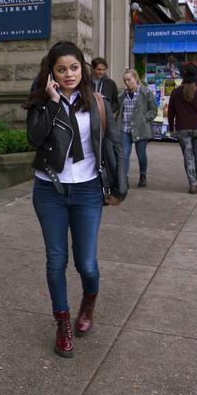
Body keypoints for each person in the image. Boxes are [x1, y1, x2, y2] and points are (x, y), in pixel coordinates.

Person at [25, 41, 127, 358]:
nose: (69, 74)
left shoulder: (96, 102)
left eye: (73, 67)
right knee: (56, 260)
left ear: (82, 68)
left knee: (87, 263)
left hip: (87, 191)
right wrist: (54, 103)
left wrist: (119, 187)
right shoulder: (41, 102)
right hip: (49, 191)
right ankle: (63, 323)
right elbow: (35, 139)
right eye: (61, 69)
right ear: (51, 72)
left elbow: (114, 145)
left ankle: (89, 301)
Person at [167, 62, 197, 194]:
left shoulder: (176, 93)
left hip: (182, 128)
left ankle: (192, 183)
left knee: (187, 155)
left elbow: (171, 112)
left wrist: (172, 128)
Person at [116, 69, 157, 188]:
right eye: (125, 81)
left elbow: (153, 110)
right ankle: (125, 178)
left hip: (141, 129)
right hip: (125, 128)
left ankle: (143, 175)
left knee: (141, 153)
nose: (127, 83)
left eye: (129, 80)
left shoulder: (146, 93)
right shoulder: (122, 95)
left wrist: (145, 118)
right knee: (124, 154)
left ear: (136, 79)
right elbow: (118, 110)